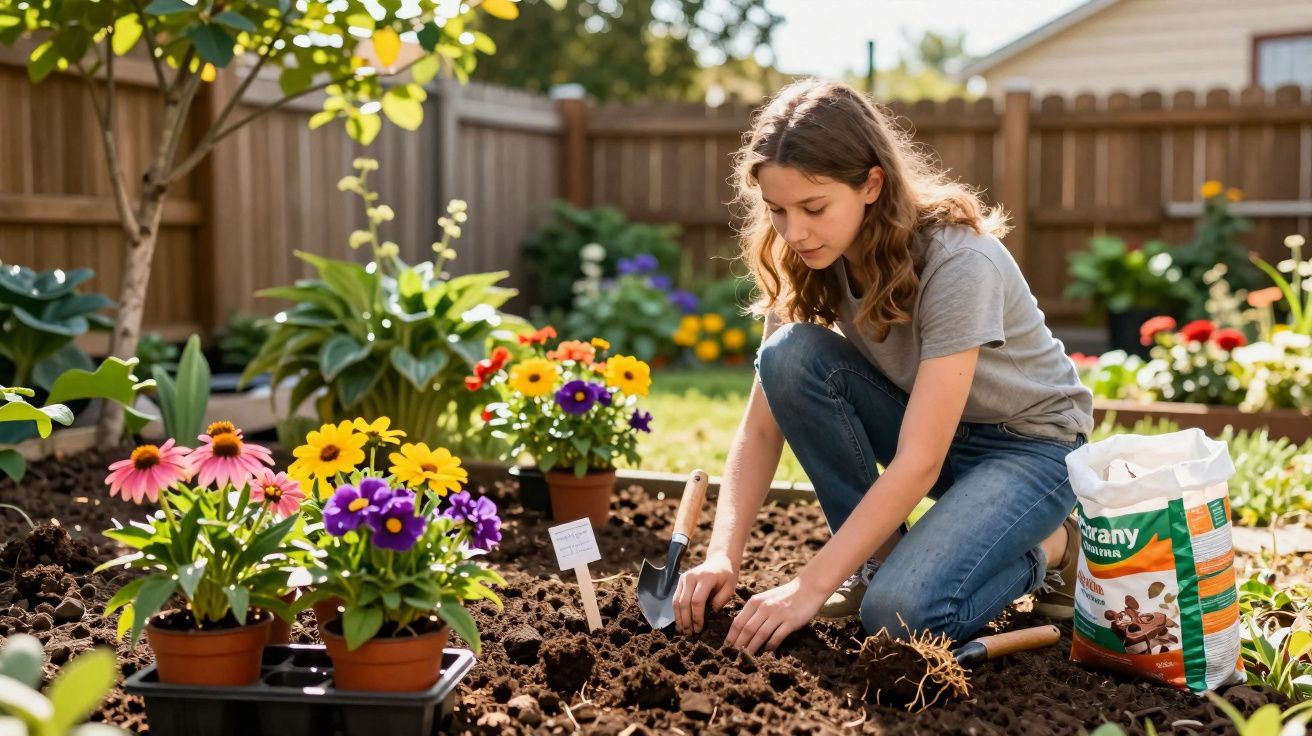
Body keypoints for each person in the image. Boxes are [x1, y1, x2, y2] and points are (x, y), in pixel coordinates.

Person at [671, 79, 1093, 656]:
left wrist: (809, 587)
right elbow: (763, 423)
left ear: (871, 183)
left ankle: (1052, 548)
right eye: (778, 211)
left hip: (1029, 449)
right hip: (933, 434)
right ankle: (879, 561)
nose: (794, 233)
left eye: (814, 208)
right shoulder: (808, 257)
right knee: (789, 356)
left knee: (899, 619)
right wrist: (723, 553)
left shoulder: (957, 262)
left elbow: (920, 459)